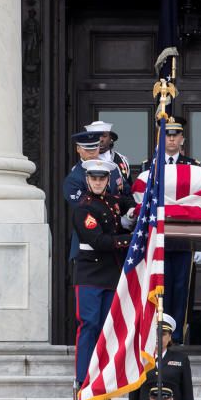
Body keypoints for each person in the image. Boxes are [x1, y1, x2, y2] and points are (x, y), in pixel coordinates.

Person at [72, 159, 136, 385]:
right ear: (87, 180)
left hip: (111, 274)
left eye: (102, 178)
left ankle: (105, 374)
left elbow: (126, 200)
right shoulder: (83, 207)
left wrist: (132, 208)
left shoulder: (112, 201)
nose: (98, 182)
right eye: (93, 178)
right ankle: (83, 377)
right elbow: (98, 240)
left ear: (108, 180)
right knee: (89, 324)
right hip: (90, 274)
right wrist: (131, 239)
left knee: (108, 326)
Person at [160, 116, 201, 344]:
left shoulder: (193, 166)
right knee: (161, 288)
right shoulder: (150, 165)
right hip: (160, 239)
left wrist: (200, 238)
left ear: (182, 139)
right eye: (167, 134)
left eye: (175, 134)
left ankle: (178, 335)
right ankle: (160, 334)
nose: (172, 138)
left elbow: (200, 203)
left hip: (185, 239)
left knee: (181, 289)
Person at [63, 130, 132, 261]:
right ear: (78, 149)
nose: (92, 152)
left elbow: (126, 195)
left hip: (117, 245)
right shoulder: (74, 178)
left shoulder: (112, 169)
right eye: (87, 149)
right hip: (91, 246)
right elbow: (87, 208)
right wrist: (119, 218)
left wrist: (130, 211)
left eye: (94, 148)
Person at [126, 315, 197, 400]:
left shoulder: (181, 359)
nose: (157, 338)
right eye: (153, 334)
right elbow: (134, 394)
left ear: (170, 337)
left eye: (162, 334)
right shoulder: (139, 359)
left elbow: (187, 392)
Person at [85, 120, 134, 189]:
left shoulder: (122, 160)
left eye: (104, 136)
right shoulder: (84, 161)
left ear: (111, 139)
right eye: (96, 136)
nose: (100, 139)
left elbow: (128, 189)